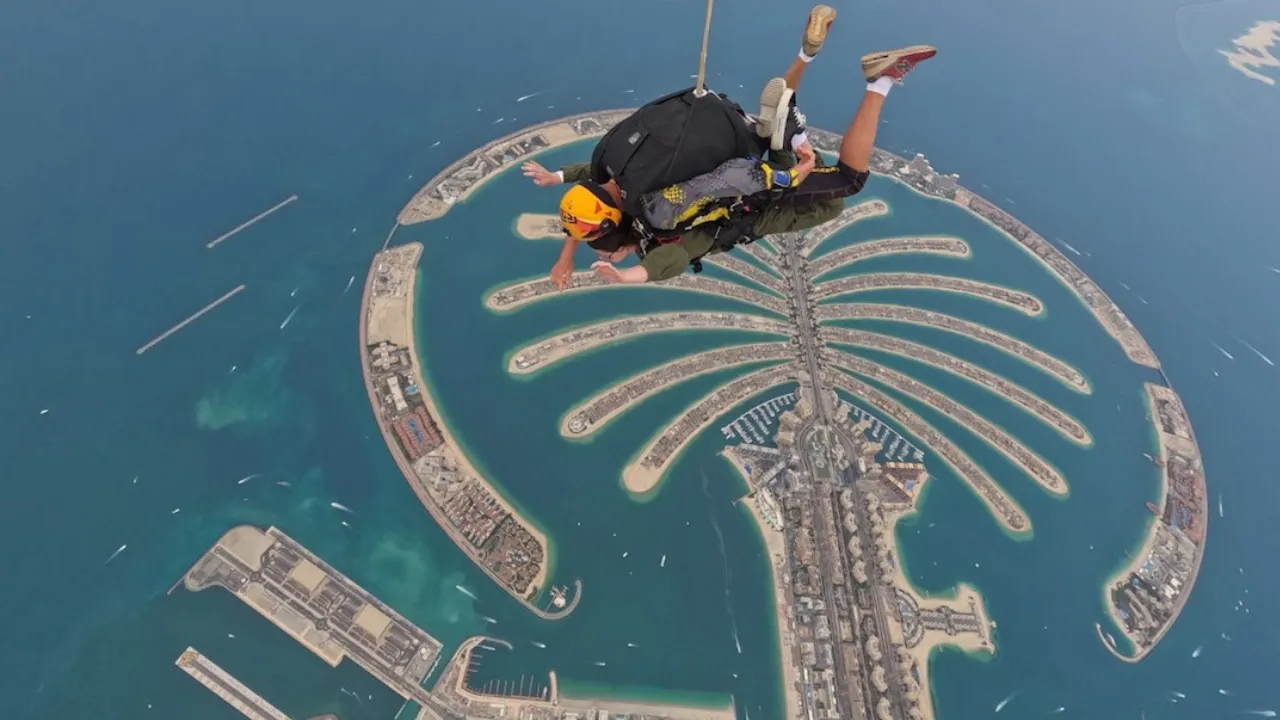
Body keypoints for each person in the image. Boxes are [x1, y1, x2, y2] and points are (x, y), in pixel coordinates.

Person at [523, 6, 935, 287]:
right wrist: (559, 206)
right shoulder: (608, 166)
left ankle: (879, 81)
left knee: (846, 183)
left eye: (613, 254)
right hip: (728, 132)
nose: (614, 258)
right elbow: (586, 201)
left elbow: (665, 263)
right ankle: (804, 58)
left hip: (757, 192)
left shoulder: (661, 227)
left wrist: (627, 277)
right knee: (776, 128)